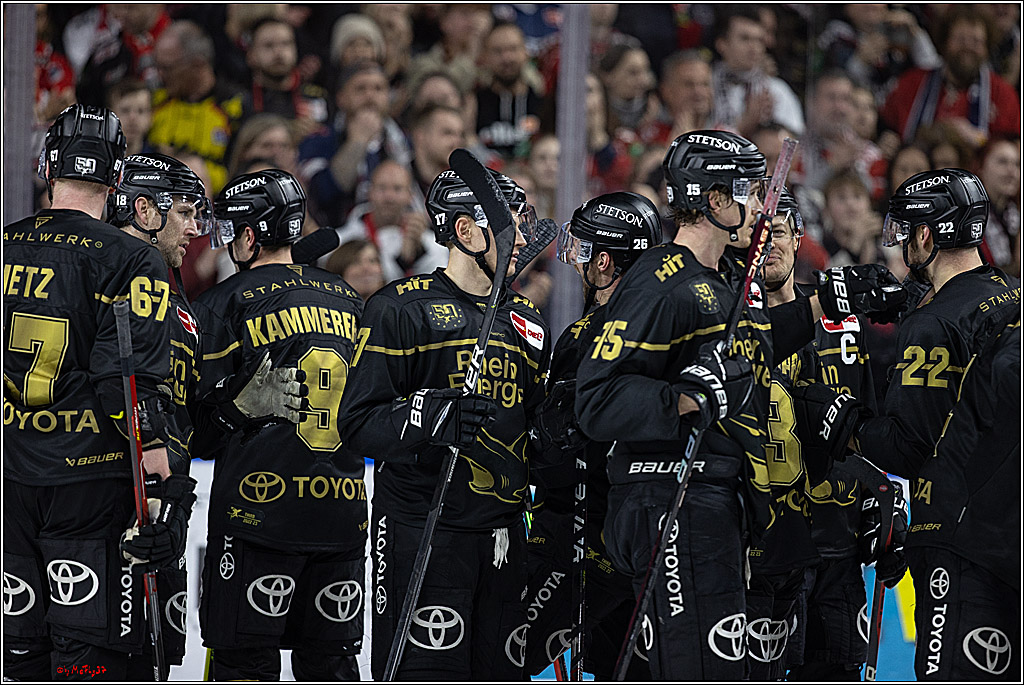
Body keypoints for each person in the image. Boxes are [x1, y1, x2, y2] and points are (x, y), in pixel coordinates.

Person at [574, 129, 906, 679]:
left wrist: (828, 298)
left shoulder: (720, 285)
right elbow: (597, 398)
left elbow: (756, 343)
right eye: (749, 195)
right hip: (670, 504)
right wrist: (686, 398)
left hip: (714, 505)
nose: (760, 209)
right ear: (715, 201)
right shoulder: (661, 280)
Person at [795, 168, 1021, 680]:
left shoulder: (933, 323)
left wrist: (839, 415)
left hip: (957, 542)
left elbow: (905, 446)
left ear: (927, 235)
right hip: (1012, 533)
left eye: (906, 231)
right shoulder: (1013, 295)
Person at [338, 168, 549, 680]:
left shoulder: (528, 320)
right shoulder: (398, 308)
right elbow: (356, 423)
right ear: (464, 230)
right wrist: (426, 416)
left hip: (503, 536)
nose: (522, 237)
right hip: (423, 534)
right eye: (508, 224)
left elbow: (535, 429)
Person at [3, 105, 183, 680]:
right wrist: (158, 484)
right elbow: (126, 383)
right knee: (91, 662)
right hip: (90, 481)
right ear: (117, 181)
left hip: (9, 481)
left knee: (22, 656)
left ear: (46, 168)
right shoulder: (134, 257)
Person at [191, 169, 367, 681]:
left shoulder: (222, 304)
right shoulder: (350, 299)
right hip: (342, 514)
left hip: (256, 518)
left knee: (243, 662)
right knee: (331, 665)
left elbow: (199, 433)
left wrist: (236, 407)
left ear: (249, 236)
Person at [761, 187, 907, 680]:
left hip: (838, 546)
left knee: (837, 670)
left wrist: (882, 502)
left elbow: (864, 424)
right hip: (767, 547)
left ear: (799, 238)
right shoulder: (732, 325)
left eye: (777, 234)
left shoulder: (842, 321)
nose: (767, 247)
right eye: (757, 236)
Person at [522, 192, 662, 680]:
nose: (575, 262)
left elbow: (552, 455)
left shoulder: (587, 335)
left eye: (581, 251)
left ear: (604, 262)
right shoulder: (667, 328)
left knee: (506, 656)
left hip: (581, 540)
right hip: (643, 547)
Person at [150, 20, 244, 193]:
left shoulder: (236, 107)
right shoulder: (153, 103)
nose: (160, 75)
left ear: (198, 64)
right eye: (158, 66)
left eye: (167, 68)